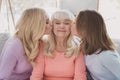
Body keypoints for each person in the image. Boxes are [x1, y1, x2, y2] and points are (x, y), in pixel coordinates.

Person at [30, 10, 86, 80]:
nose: (62, 26)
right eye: (57, 23)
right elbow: (36, 76)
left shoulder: (78, 47)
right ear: (52, 26)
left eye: (66, 23)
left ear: (71, 26)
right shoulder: (42, 45)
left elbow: (80, 77)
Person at [0, 8, 48, 80]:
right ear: (36, 24)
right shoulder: (15, 45)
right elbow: (3, 77)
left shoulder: (39, 42)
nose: (51, 24)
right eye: (46, 22)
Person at [76, 10, 120, 80]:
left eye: (75, 23)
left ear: (84, 28)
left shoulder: (107, 56)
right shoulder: (84, 47)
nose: (73, 25)